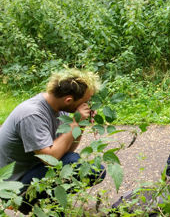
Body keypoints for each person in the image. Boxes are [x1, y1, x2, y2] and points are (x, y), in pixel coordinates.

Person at [0, 68, 106, 214]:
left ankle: (50, 204)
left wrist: (80, 124)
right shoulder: (32, 114)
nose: (87, 105)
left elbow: (66, 150)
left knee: (95, 170)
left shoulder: (60, 108)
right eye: (85, 102)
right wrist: (74, 123)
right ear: (68, 100)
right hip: (13, 186)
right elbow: (51, 159)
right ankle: (28, 203)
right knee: (77, 164)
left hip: (36, 170)